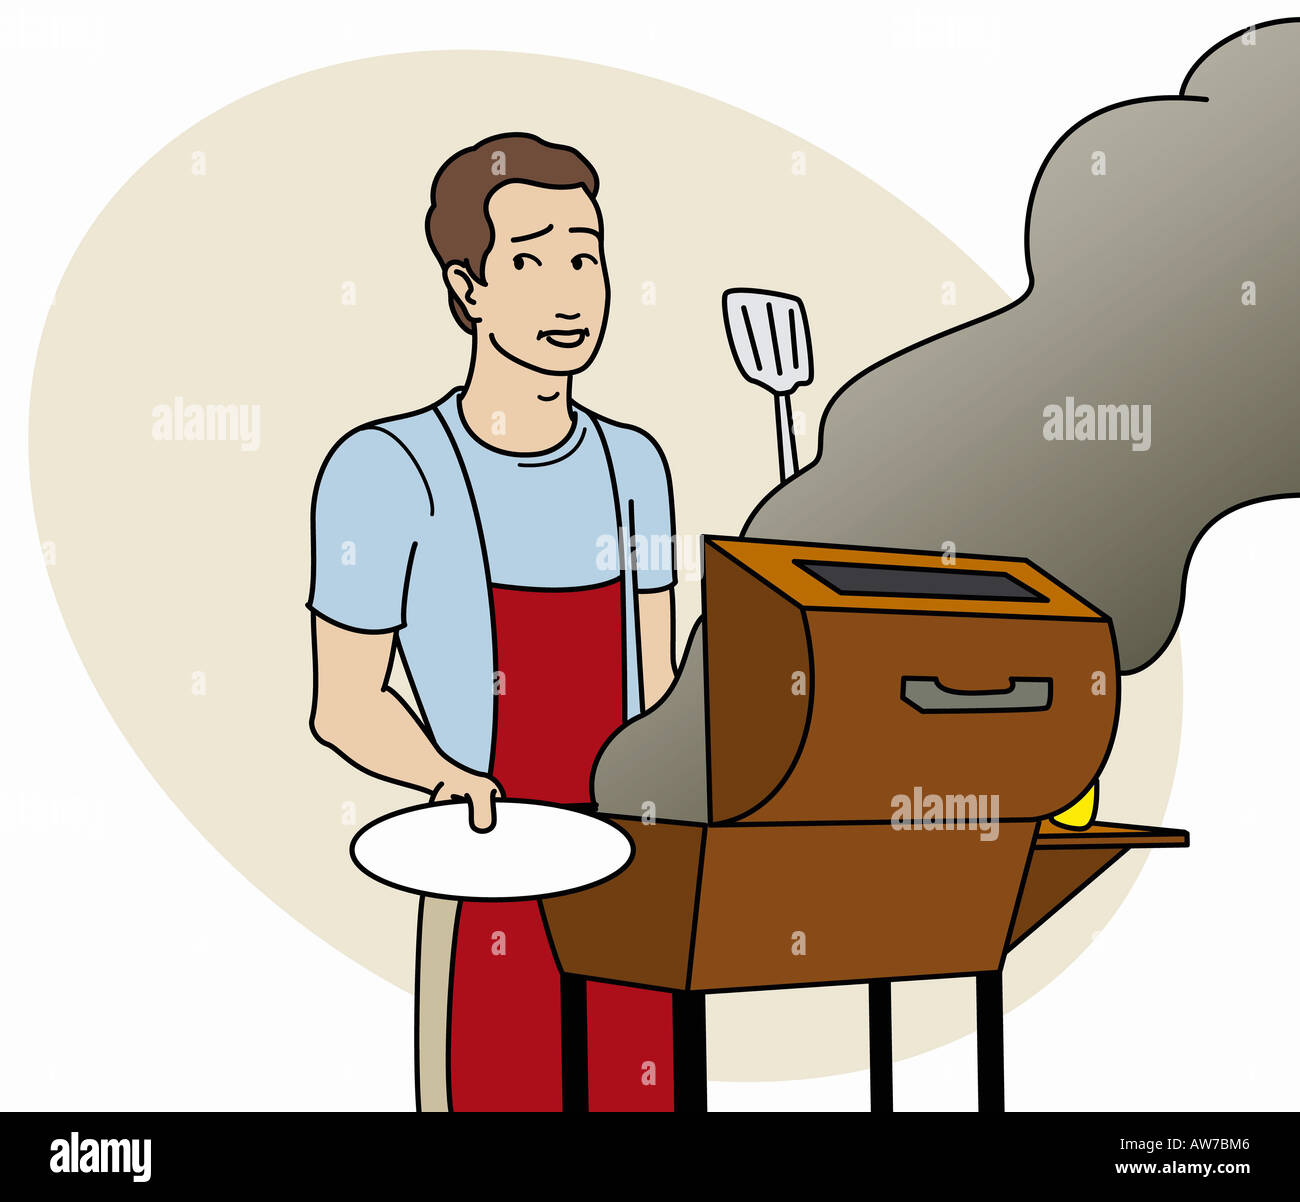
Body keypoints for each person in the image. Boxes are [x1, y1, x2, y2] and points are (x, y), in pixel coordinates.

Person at [307, 132, 678, 1111]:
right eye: (530, 259)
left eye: (586, 257)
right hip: (490, 869)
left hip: (637, 876)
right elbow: (344, 702)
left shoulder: (636, 467)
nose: (569, 292)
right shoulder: (387, 471)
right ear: (466, 288)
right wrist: (446, 777)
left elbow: (661, 690)